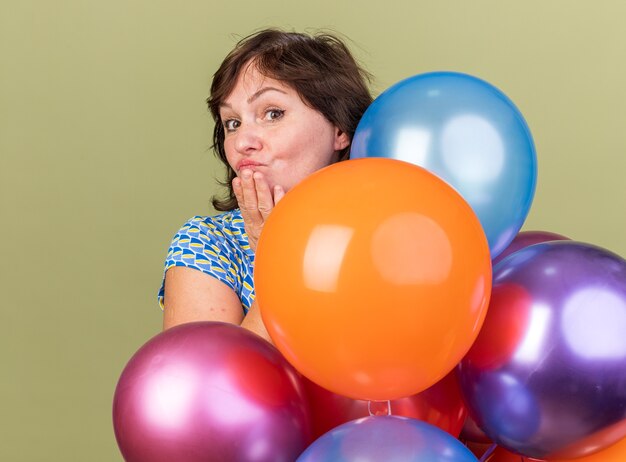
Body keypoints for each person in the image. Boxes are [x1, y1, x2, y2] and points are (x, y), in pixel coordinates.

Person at [158, 29, 372, 340]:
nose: (243, 141)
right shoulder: (208, 244)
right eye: (232, 123)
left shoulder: (387, 231)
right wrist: (280, 260)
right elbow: (217, 388)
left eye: (273, 113)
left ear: (340, 128)